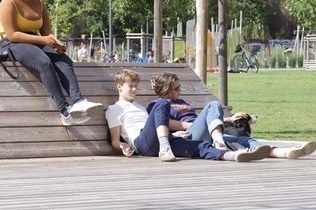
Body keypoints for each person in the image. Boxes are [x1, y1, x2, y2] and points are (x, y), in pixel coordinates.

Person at [0, 0, 102, 126]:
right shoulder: (8, 2)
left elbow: (47, 32)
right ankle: (65, 111)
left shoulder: (40, 4)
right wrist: (45, 41)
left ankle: (78, 101)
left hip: (34, 39)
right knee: (43, 62)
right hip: (11, 43)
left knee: (63, 59)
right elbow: (12, 34)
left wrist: (56, 44)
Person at [106, 69, 270, 163]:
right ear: (119, 86)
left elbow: (159, 125)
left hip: (164, 140)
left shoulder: (140, 107)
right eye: (131, 86)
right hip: (142, 144)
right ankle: (165, 147)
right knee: (162, 104)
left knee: (198, 146)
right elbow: (115, 140)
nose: (135, 90)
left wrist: (173, 134)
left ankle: (233, 155)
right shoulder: (114, 109)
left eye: (136, 86)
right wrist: (122, 146)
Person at [151, 72, 316, 160]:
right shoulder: (156, 105)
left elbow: (207, 119)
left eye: (180, 87)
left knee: (243, 141)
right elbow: (165, 125)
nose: (180, 91)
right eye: (176, 88)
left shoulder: (181, 101)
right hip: (189, 136)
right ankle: (218, 139)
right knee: (213, 105)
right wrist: (195, 127)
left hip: (203, 131)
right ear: (165, 89)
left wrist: (229, 119)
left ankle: (284, 152)